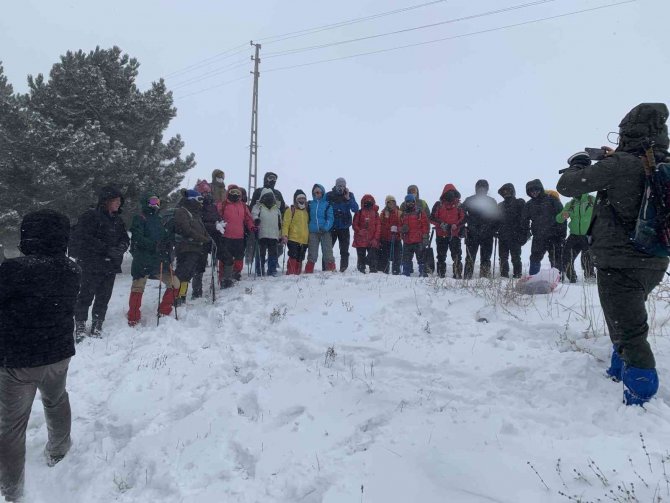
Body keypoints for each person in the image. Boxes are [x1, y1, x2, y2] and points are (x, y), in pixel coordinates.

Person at [557, 102, 670, 406]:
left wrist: (580, 164)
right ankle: (618, 370)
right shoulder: (661, 163)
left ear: (627, 132)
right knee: (624, 318)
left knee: (630, 330)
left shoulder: (620, 164)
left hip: (619, 260)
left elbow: (567, 186)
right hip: (655, 259)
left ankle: (641, 397)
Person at [0, 210, 81, 502]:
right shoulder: (72, 268)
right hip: (58, 353)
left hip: (19, 360)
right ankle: (59, 449)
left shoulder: (13, 271)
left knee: (11, 426)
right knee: (56, 399)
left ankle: (11, 492)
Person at [72, 186, 129, 340]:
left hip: (110, 265)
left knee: (104, 297)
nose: (118, 204)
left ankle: (98, 324)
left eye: (119, 201)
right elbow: (85, 238)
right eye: (115, 201)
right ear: (106, 201)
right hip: (91, 264)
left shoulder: (118, 220)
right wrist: (106, 249)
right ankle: (81, 325)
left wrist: (122, 247)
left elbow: (125, 238)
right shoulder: (90, 216)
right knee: (85, 295)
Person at [127, 192, 180, 326]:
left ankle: (164, 310)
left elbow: (164, 236)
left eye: (157, 201)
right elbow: (137, 238)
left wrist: (168, 241)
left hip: (159, 260)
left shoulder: (159, 219)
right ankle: (133, 317)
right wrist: (153, 245)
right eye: (152, 201)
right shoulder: (140, 218)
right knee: (138, 287)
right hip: (143, 259)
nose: (155, 204)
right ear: (146, 202)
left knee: (175, 283)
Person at [173, 189, 211, 304]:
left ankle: (182, 296)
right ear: (191, 199)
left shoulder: (195, 213)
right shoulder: (182, 211)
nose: (201, 202)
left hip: (195, 248)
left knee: (187, 275)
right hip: (186, 248)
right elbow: (186, 230)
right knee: (182, 274)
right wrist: (203, 239)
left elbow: (202, 230)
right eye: (199, 199)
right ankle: (174, 297)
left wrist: (208, 239)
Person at [522, 179, 565, 275]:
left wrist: (562, 235)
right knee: (534, 257)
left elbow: (562, 217)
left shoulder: (552, 200)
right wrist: (527, 231)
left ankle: (557, 278)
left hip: (554, 236)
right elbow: (524, 219)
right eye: (531, 191)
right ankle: (533, 277)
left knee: (555, 257)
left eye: (536, 190)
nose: (534, 193)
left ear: (540, 189)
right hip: (538, 237)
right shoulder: (529, 204)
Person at [218, 185, 255, 288]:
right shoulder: (223, 204)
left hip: (239, 236)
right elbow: (216, 216)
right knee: (225, 258)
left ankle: (236, 274)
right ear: (228, 193)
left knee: (239, 257)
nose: (235, 194)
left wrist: (252, 227)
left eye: (237, 193)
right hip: (226, 236)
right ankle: (223, 277)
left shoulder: (243, 206)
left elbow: (248, 219)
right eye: (233, 192)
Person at [462, 179, 499, 279]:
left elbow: (496, 217)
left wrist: (495, 229)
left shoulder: (491, 201)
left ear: (487, 189)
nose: (481, 190)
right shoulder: (469, 200)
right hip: (472, 234)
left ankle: (485, 278)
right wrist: (463, 227)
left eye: (484, 188)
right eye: (480, 188)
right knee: (470, 258)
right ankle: (467, 278)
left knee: (486, 258)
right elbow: (461, 214)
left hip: (487, 234)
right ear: (476, 188)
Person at [191, 180, 222, 298]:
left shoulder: (212, 205)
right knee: (199, 265)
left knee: (213, 261)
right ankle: (196, 291)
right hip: (200, 239)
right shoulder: (196, 207)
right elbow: (199, 222)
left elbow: (217, 217)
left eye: (208, 192)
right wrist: (213, 225)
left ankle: (211, 286)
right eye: (204, 193)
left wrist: (220, 223)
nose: (206, 195)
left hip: (212, 238)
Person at [556, 192, 595, 283]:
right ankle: (571, 277)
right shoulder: (571, 204)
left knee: (587, 258)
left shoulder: (592, 200)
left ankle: (590, 277)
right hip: (574, 235)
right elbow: (558, 219)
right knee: (566, 256)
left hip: (588, 235)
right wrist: (563, 215)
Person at [430, 184, 465, 279]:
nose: (450, 194)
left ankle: (457, 274)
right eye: (448, 193)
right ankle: (441, 274)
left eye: (452, 193)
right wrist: (441, 224)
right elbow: (431, 217)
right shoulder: (438, 204)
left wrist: (456, 225)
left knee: (456, 256)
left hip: (454, 234)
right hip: (442, 234)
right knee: (441, 256)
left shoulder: (459, 205)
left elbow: (464, 218)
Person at [326, 178, 359, 272]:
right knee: (328, 249)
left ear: (345, 186)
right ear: (335, 185)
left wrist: (348, 198)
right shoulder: (329, 195)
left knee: (344, 250)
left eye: (343, 185)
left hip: (344, 227)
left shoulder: (349, 195)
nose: (341, 187)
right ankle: (327, 268)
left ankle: (343, 269)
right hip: (332, 227)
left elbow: (355, 209)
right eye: (339, 185)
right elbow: (323, 206)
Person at [497, 183, 527, 278]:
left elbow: (525, 219)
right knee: (503, 257)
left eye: (508, 191)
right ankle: (503, 275)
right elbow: (495, 220)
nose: (506, 193)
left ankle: (517, 275)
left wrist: (524, 234)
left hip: (516, 236)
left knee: (516, 257)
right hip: (503, 235)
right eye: (504, 191)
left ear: (512, 191)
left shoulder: (520, 203)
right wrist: (494, 230)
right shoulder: (500, 205)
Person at [251, 188, 282, 277]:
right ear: (262, 197)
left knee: (273, 253)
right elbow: (253, 214)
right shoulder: (258, 206)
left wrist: (280, 234)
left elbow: (280, 222)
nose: (269, 198)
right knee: (261, 253)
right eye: (266, 196)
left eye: (271, 196)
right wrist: (256, 219)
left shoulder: (277, 209)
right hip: (262, 234)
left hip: (273, 235)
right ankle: (259, 269)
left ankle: (272, 269)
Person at [305, 184, 335, 273]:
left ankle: (331, 270)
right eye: (314, 193)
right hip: (313, 232)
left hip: (325, 232)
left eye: (318, 192)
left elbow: (330, 218)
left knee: (328, 252)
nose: (316, 194)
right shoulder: (310, 204)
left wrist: (325, 228)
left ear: (322, 193)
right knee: (312, 253)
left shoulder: (327, 204)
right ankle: (308, 271)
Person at [400, 194, 430, 276]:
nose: (410, 203)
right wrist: (402, 229)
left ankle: (423, 272)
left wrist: (425, 237)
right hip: (407, 240)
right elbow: (400, 225)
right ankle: (406, 272)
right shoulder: (403, 214)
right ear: (405, 203)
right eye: (408, 202)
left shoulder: (420, 212)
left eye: (412, 202)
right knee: (406, 258)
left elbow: (425, 225)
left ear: (415, 202)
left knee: (421, 258)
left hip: (418, 240)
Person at [281, 190, 310, 275]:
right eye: (300, 198)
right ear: (296, 199)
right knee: (293, 255)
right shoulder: (291, 210)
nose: (302, 200)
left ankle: (297, 273)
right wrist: (285, 235)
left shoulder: (306, 212)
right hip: (293, 239)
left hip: (304, 240)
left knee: (300, 257)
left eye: (303, 198)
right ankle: (291, 272)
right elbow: (286, 224)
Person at [352, 194, 381, 273]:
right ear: (363, 202)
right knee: (361, 257)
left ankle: (373, 271)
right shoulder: (359, 212)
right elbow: (354, 224)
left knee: (373, 258)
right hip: (360, 240)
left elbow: (378, 227)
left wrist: (375, 239)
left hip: (372, 240)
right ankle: (361, 271)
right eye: (366, 201)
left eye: (370, 201)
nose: (368, 202)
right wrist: (359, 231)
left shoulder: (375, 213)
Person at [378, 196, 402, 275]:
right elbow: (380, 226)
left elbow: (403, 225)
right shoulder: (382, 214)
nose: (391, 204)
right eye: (389, 203)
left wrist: (397, 229)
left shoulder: (399, 213)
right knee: (384, 258)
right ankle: (384, 272)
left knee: (397, 258)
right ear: (386, 204)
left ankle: (396, 272)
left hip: (396, 239)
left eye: (393, 202)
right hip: (385, 239)